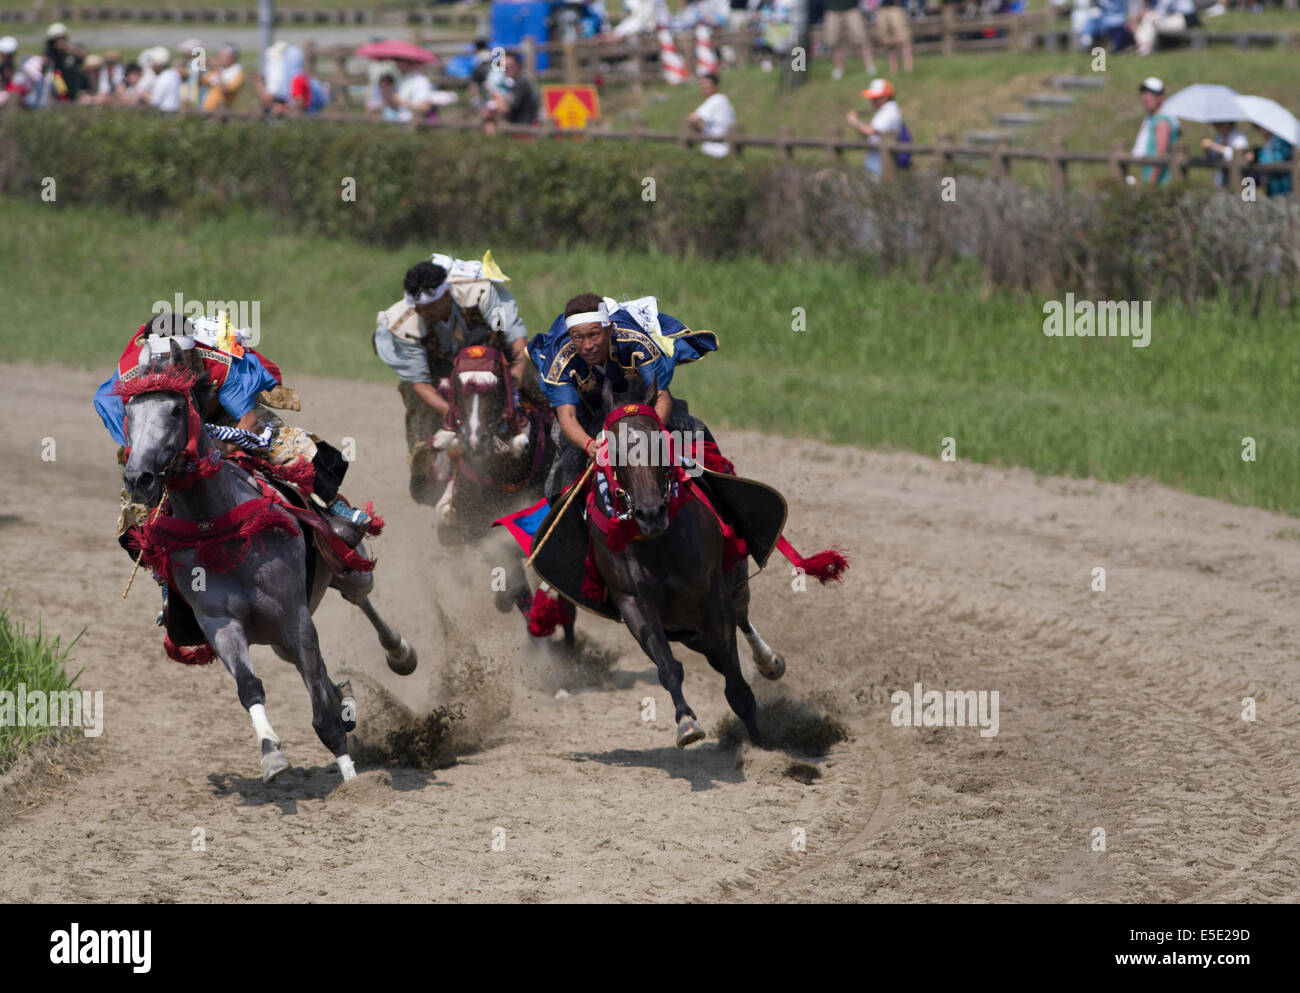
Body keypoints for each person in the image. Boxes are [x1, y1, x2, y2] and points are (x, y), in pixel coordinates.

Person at [528, 292, 718, 503]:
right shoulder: (560, 361)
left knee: (695, 431)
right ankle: (566, 527)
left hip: (643, 404)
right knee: (568, 464)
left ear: (609, 330)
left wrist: (650, 433)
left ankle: (722, 498)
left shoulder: (636, 342)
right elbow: (567, 418)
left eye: (594, 335)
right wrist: (590, 445)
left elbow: (661, 395)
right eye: (578, 338)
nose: (587, 345)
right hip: (589, 415)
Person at [373, 256, 532, 504]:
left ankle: (558, 439)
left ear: (447, 296)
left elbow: (510, 335)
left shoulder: (480, 294)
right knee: (412, 393)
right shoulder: (404, 325)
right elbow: (420, 382)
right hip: (437, 372)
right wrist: (457, 414)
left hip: (492, 359)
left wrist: (517, 376)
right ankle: (425, 468)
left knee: (536, 368)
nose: (422, 313)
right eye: (418, 308)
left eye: (429, 307)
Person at [845, 77, 908, 177]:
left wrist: (854, 122)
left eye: (875, 98)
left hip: (881, 168)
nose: (872, 101)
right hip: (876, 165)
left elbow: (870, 132)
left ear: (885, 97)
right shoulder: (884, 111)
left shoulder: (890, 111)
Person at [1132, 76, 1179, 186]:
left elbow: (1160, 155)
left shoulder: (1162, 121)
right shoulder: (1152, 119)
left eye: (1151, 94)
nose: (1146, 98)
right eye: (1144, 94)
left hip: (1161, 183)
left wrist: (1150, 184)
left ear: (1161, 97)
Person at [484, 50, 539, 133]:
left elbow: (507, 108)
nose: (507, 70)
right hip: (519, 123)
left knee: (490, 120)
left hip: (524, 126)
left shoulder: (523, 81)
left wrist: (496, 104)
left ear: (519, 65)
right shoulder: (514, 81)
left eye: (510, 66)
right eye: (505, 67)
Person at [824, 0, 876, 80]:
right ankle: (839, 69)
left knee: (862, 38)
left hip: (852, 8)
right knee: (834, 42)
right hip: (833, 9)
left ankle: (870, 66)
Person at [687, 73, 735, 158]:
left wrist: (699, 127)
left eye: (706, 84)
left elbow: (693, 117)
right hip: (722, 150)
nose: (703, 87)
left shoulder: (717, 98)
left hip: (715, 151)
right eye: (701, 85)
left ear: (716, 86)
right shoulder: (723, 100)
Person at [1132, 0, 1198, 57]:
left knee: (1150, 18)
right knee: (1149, 18)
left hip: (1185, 19)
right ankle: (1143, 46)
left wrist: (1146, 12)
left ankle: (1144, 47)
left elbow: (1162, 12)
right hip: (1179, 18)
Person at [1246, 126, 1294, 198]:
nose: (1261, 129)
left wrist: (1258, 154)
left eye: (1263, 127)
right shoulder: (1270, 141)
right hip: (1273, 184)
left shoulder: (1281, 140)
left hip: (1282, 185)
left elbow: (1277, 158)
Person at [1200, 120, 1249, 188]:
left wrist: (1212, 145)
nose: (1217, 126)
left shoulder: (1239, 137)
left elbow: (1234, 154)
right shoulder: (1218, 138)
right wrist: (1207, 150)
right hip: (1220, 177)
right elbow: (1213, 156)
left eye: (1220, 124)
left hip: (1238, 178)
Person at [200, 45, 244, 112]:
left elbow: (225, 90)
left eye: (223, 56)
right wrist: (202, 67)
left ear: (233, 58)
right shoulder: (218, 70)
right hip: (206, 111)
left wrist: (217, 70)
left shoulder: (238, 73)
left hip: (221, 113)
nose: (219, 58)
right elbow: (201, 82)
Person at [875, 0, 914, 76]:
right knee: (888, 42)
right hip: (882, 8)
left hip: (896, 7)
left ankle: (909, 69)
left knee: (904, 39)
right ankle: (893, 70)